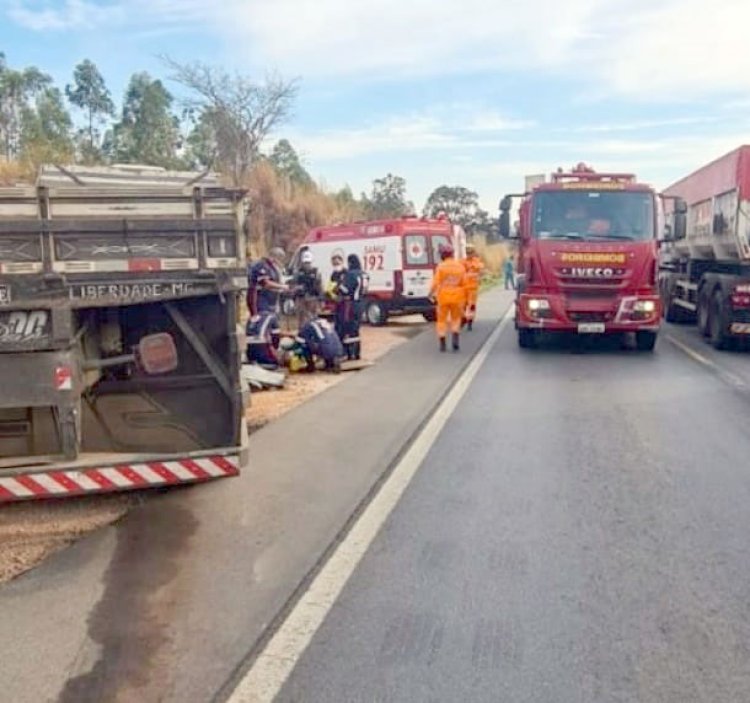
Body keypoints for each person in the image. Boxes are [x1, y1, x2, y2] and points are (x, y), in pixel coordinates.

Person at [429, 244, 466, 352]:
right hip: (457, 296)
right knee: (455, 319)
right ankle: (455, 338)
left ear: (442, 255)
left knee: (441, 320)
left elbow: (435, 283)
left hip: (443, 297)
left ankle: (442, 343)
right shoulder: (460, 267)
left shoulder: (441, 267)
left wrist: (430, 293)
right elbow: (464, 283)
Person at [335, 254, 367, 360]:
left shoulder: (351, 274)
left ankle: (349, 354)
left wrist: (338, 286)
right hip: (361, 303)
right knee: (356, 329)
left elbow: (345, 290)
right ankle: (357, 353)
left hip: (351, 304)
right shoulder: (364, 274)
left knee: (347, 328)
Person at [247, 247, 288, 315]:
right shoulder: (262, 265)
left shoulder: (272, 267)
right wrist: (282, 286)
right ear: (275, 257)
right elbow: (265, 283)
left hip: (272, 302)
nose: (280, 262)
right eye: (280, 259)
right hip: (261, 301)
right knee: (264, 322)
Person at [293, 249, 323, 329]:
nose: (307, 265)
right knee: (301, 319)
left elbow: (320, 286)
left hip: (313, 298)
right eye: (305, 263)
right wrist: (294, 296)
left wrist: (321, 300)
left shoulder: (316, 272)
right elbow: (293, 286)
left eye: (308, 263)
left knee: (313, 318)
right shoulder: (298, 272)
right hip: (301, 299)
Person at [461, 242, 485, 331]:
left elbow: (481, 272)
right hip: (463, 288)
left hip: (473, 289)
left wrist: (479, 277)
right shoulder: (462, 262)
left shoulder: (477, 262)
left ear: (473, 252)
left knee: (472, 306)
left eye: (470, 252)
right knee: (463, 305)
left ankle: (470, 322)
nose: (469, 254)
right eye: (467, 252)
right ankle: (463, 319)